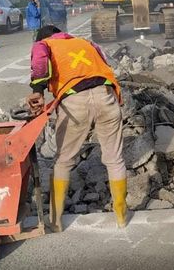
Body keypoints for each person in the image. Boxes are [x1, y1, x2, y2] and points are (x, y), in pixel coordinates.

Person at [27, 25, 127, 232]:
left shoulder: (44, 44)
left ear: (43, 38)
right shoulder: (85, 42)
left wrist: (38, 91)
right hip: (106, 97)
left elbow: (39, 63)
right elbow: (104, 64)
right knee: (115, 159)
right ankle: (121, 217)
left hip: (75, 103)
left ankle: (55, 222)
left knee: (63, 161)